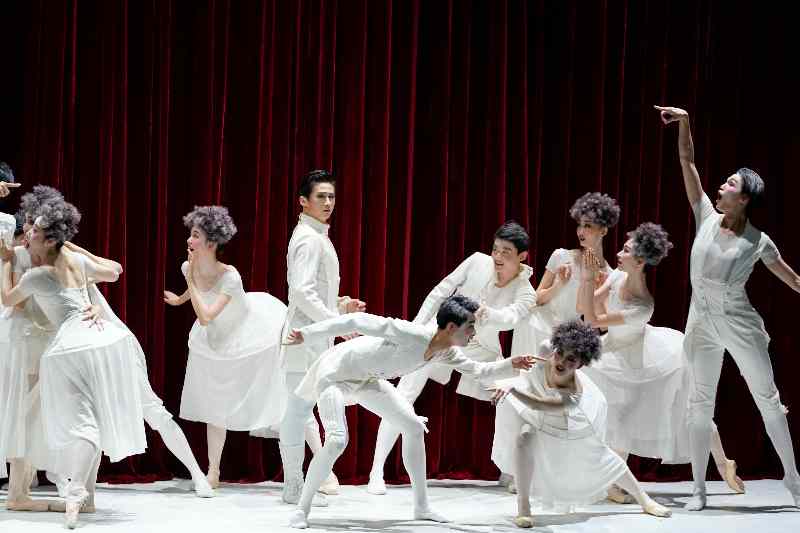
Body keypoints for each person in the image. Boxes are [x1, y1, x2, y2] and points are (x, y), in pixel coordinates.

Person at [282, 295, 534, 528]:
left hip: (367, 379)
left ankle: (421, 506)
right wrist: (307, 334)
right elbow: (356, 320)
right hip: (335, 375)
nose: (474, 332)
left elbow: (478, 371)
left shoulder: (446, 352)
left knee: (413, 427)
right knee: (337, 440)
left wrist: (511, 364)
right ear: (451, 327)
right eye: (470, 326)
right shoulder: (413, 334)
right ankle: (301, 510)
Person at [656, 104, 800, 509]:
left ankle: (793, 479)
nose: (721, 186)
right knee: (699, 404)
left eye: (730, 184)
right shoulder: (705, 215)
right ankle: (699, 489)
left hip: (738, 323)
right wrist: (685, 121)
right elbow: (687, 161)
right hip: (701, 322)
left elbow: (793, 280)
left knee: (767, 399)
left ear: (744, 198)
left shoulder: (759, 241)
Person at [1, 198, 148, 528]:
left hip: (70, 347)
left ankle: (77, 492)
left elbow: (8, 299)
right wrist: (72, 248)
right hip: (102, 342)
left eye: (36, 232)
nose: (28, 234)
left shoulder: (38, 275)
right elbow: (114, 270)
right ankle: (85, 493)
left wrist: (6, 263)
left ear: (50, 239)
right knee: (92, 417)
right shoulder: (77, 262)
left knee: (81, 421)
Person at [367, 221, 536, 494]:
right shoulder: (477, 261)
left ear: (522, 256)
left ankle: (512, 469)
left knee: (511, 397)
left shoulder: (525, 291)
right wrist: (416, 328)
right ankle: (376, 472)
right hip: (442, 335)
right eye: (495, 249)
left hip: (481, 346)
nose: (497, 256)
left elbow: (511, 317)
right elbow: (441, 290)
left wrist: (487, 313)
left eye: (506, 252)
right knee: (403, 395)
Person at [577, 225, 743, 501]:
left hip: (646, 362)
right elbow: (587, 311)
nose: (618, 254)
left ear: (640, 262)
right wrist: (590, 282)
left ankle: (723, 462)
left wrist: (588, 279)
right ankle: (613, 482)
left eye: (626, 251)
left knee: (687, 413)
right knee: (618, 417)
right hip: (615, 353)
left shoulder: (642, 306)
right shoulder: (618, 275)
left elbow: (593, 320)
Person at [490, 320, 671, 528]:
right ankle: (523, 506)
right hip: (534, 396)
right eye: (560, 353)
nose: (561, 361)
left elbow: (540, 405)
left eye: (571, 359)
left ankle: (644, 500)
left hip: (566, 414)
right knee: (524, 439)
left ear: (580, 365)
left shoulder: (573, 394)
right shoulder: (546, 348)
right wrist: (515, 374)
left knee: (598, 454)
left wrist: (512, 390)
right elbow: (533, 376)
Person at [166, 205, 287, 489]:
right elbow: (197, 291)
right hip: (216, 341)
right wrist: (179, 299)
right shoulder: (188, 266)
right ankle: (213, 472)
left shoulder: (230, 277)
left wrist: (189, 281)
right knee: (215, 406)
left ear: (211, 243)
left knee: (281, 398)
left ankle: (323, 467)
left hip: (250, 337)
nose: (189, 240)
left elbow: (206, 316)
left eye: (196, 236)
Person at [278, 170, 365, 503]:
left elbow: (314, 292)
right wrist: (337, 323)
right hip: (303, 339)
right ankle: (294, 484)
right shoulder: (308, 238)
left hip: (314, 337)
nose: (328, 202)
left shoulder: (316, 235)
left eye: (331, 196)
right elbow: (301, 292)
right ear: (303, 201)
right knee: (298, 412)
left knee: (303, 412)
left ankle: (302, 482)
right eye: (321, 197)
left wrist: (340, 306)